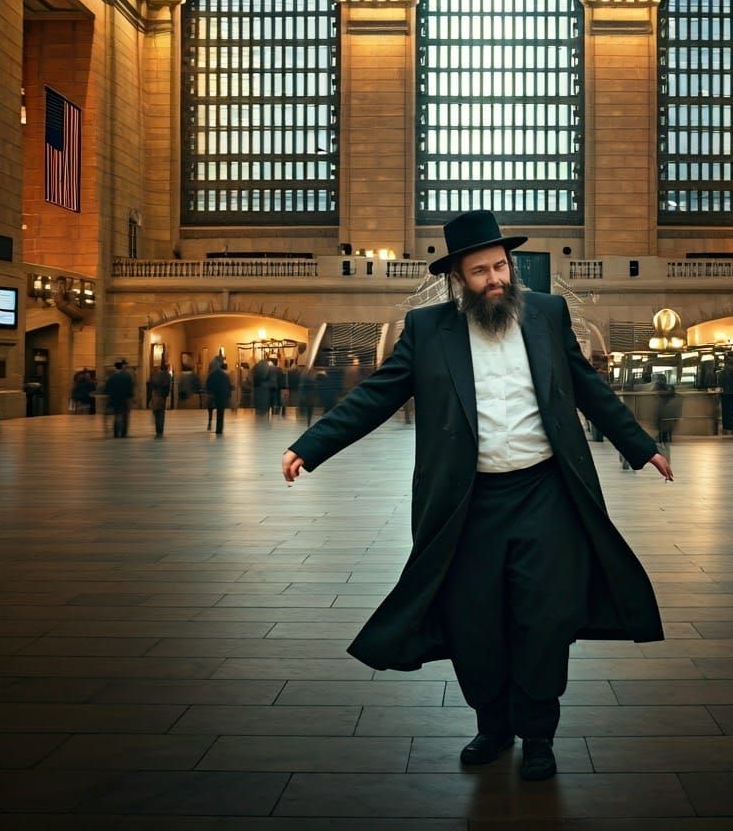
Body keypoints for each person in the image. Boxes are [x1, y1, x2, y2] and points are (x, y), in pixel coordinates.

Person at [280, 210, 674, 782]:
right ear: (458, 280)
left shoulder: (546, 314)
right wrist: (312, 445)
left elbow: (588, 386)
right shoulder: (427, 330)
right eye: (481, 271)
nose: (496, 279)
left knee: (545, 618)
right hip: (469, 504)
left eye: (501, 266)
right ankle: (492, 725)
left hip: (547, 494)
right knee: (475, 623)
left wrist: (640, 445)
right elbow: (377, 396)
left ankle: (538, 734)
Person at [104, 360, 135, 438]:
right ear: (122, 367)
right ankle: (124, 433)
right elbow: (130, 388)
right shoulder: (127, 376)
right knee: (125, 416)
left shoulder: (112, 377)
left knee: (117, 415)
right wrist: (131, 397)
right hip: (125, 399)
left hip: (115, 399)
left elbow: (107, 389)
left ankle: (116, 433)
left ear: (115, 367)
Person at [205, 361, 233, 436]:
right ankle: (219, 429)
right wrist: (228, 395)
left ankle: (210, 421)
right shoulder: (225, 375)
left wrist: (209, 393)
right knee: (220, 412)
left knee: (211, 409)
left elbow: (208, 385)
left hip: (214, 395)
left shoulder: (212, 375)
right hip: (222, 396)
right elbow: (228, 386)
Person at [148, 362, 171, 438]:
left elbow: (151, 384)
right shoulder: (167, 375)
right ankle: (160, 431)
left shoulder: (156, 375)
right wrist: (166, 395)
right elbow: (167, 387)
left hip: (155, 396)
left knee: (156, 413)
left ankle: (158, 430)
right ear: (167, 368)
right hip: (162, 397)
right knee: (161, 414)